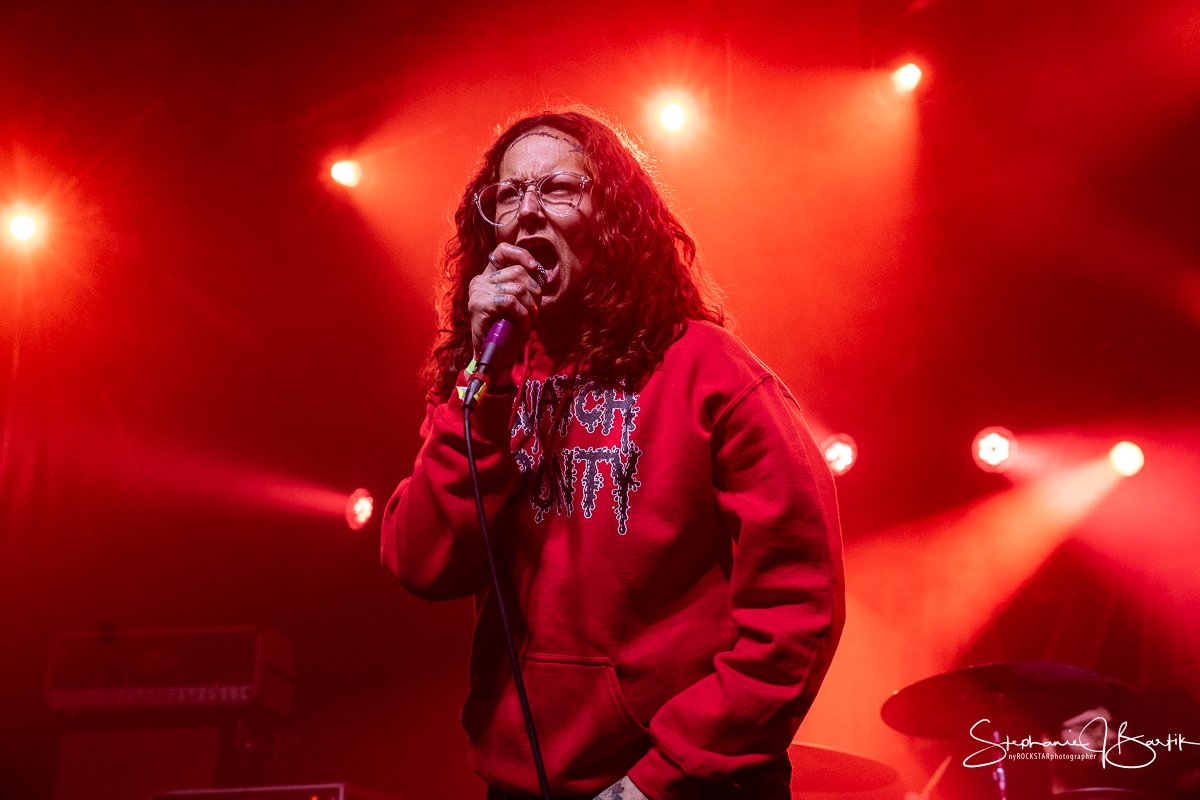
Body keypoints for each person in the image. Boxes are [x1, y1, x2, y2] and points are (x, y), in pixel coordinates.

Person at [381, 108, 845, 800]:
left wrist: (663, 778)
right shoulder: (483, 381)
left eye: (558, 189)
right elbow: (422, 562)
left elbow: (796, 607)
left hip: (683, 786)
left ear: (614, 219)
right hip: (525, 783)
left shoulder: (709, 370)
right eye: (508, 194)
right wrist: (482, 382)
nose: (527, 211)